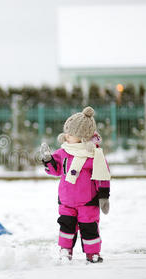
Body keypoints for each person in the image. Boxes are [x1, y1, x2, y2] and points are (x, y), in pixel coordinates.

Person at [40, 106, 111, 263]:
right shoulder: (63, 152)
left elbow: (102, 176)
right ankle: (65, 251)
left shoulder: (94, 155)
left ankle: (93, 253)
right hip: (66, 201)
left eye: (70, 134)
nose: (66, 136)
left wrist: (104, 196)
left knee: (89, 228)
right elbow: (55, 170)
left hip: (88, 201)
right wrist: (48, 160)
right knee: (66, 227)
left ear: (83, 137)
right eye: (66, 132)